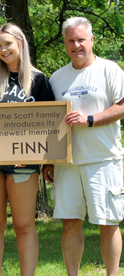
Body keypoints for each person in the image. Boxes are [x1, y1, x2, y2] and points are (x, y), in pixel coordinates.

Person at [43, 17, 124, 276]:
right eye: (70, 41)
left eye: (80, 39)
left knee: (107, 223)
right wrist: (48, 160)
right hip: (67, 163)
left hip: (103, 159)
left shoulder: (110, 70)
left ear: (91, 40)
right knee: (70, 224)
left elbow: (122, 106)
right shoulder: (57, 78)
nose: (76, 45)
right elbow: (49, 120)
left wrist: (90, 120)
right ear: (65, 45)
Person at [0, 23, 54, 276]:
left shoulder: (39, 79)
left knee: (23, 224)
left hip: (25, 159)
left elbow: (50, 122)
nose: (3, 50)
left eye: (7, 44)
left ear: (20, 42)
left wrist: (39, 158)